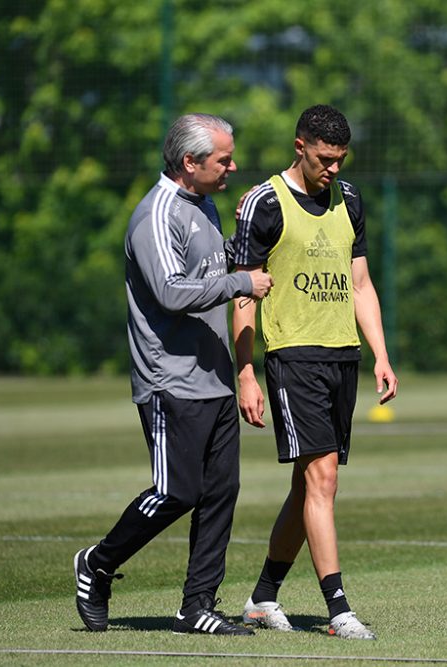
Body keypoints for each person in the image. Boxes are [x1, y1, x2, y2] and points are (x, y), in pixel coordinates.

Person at [73, 113, 273, 635]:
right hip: (170, 381)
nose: (233, 165)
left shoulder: (203, 203)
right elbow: (172, 292)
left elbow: (214, 267)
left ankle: (197, 606)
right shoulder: (155, 215)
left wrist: (245, 241)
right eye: (223, 159)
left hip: (215, 379)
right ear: (190, 162)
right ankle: (97, 564)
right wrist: (240, 282)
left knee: (219, 493)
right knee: (176, 492)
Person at [231, 104, 398, 639]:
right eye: (325, 159)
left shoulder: (349, 199)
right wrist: (246, 372)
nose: (333, 169)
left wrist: (381, 353)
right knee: (322, 477)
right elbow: (242, 293)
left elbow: (362, 283)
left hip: (341, 355)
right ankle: (339, 608)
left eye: (341, 160)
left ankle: (261, 598)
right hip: (292, 357)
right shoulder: (264, 202)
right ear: (299, 146)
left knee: (309, 487)